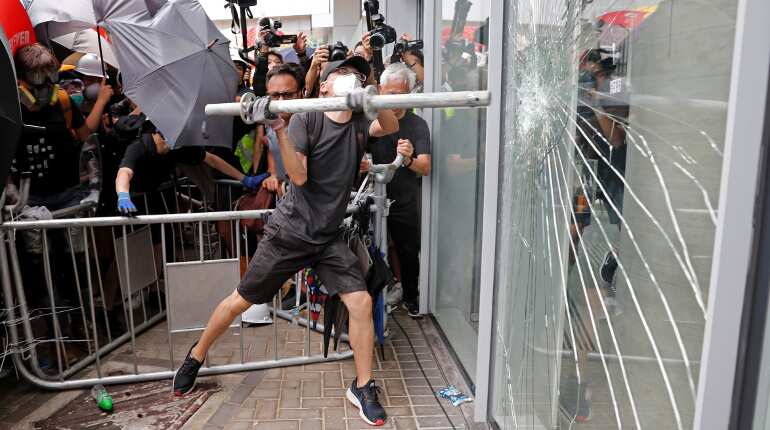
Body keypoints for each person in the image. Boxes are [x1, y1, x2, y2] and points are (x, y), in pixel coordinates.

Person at [172, 56, 399, 427]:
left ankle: (363, 385)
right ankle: (195, 356)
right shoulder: (308, 119)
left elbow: (388, 124)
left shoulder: (360, 118)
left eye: (355, 74)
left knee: (359, 302)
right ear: (324, 86)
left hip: (328, 236)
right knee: (240, 300)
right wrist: (278, 128)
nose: (350, 78)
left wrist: (375, 99)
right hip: (291, 232)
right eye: (342, 73)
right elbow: (299, 177)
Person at [11, 44, 113, 210]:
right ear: (22, 77)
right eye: (38, 75)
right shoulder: (12, 110)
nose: (47, 81)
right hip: (29, 200)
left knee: (77, 236)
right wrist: (15, 198)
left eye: (51, 73)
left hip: (69, 194)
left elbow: (87, 139)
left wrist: (94, 189)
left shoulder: (63, 101)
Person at [367, 63, 431, 317]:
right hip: (371, 198)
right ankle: (375, 296)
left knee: (407, 250)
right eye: (391, 94)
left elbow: (425, 167)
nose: (397, 100)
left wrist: (408, 159)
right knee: (371, 248)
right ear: (381, 90)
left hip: (403, 198)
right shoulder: (371, 119)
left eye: (402, 94)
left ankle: (411, 297)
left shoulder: (417, 125)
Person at [114, 116, 267, 215]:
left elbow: (211, 159)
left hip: (156, 195)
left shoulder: (177, 147)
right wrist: (122, 195)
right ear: (161, 133)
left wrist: (244, 179)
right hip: (132, 200)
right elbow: (124, 172)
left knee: (163, 244)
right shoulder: (138, 146)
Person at [261, 63, 306, 196]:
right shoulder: (270, 123)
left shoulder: (312, 125)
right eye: (275, 95)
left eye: (287, 95)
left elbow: (301, 177)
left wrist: (286, 187)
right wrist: (273, 175)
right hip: (286, 204)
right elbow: (272, 149)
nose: (280, 101)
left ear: (300, 94)